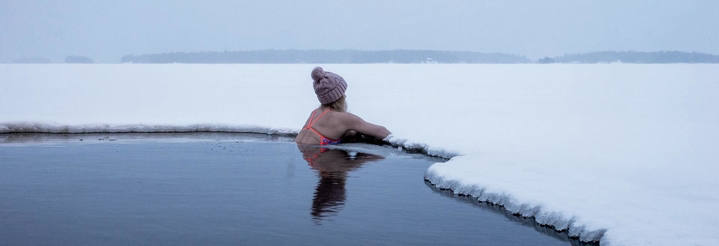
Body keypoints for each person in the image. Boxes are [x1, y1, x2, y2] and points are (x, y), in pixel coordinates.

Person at [295, 67, 390, 145]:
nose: (345, 96)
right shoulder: (344, 118)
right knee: (366, 158)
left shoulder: (315, 113)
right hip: (322, 160)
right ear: (339, 96)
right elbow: (383, 132)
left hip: (308, 159)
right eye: (343, 93)